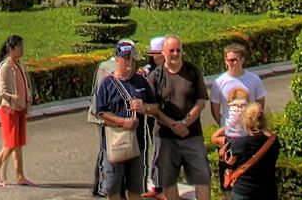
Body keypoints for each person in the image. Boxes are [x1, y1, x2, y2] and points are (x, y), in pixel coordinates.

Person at [146, 33, 212, 200]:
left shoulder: (192, 71)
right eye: (171, 50)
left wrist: (185, 123)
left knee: (202, 177)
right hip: (165, 136)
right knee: (168, 180)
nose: (175, 54)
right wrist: (172, 124)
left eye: (178, 50)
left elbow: (201, 101)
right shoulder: (155, 76)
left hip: (192, 134)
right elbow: (153, 108)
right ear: (163, 52)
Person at [91, 41, 150, 199]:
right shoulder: (107, 83)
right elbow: (100, 112)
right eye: (125, 58)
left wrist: (144, 107)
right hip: (114, 144)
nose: (128, 61)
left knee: (135, 189)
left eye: (131, 58)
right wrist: (123, 122)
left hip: (137, 144)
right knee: (113, 190)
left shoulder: (141, 81)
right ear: (117, 60)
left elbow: (155, 106)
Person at [209, 41, 265, 160]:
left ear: (242, 60)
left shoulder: (254, 79)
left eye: (234, 60)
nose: (231, 63)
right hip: (229, 136)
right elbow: (214, 111)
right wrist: (225, 125)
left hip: (249, 135)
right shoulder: (219, 82)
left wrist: (254, 126)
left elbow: (260, 105)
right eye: (229, 60)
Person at [218, 99, 282, 200]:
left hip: (244, 191)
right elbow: (270, 135)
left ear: (246, 122)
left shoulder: (239, 144)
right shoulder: (273, 142)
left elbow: (229, 161)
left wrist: (232, 124)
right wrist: (263, 127)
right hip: (268, 191)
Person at [0, 33, 31, 188]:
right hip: (9, 110)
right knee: (11, 143)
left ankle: (20, 176)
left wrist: (27, 99)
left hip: (19, 108)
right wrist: (11, 97)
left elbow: (24, 83)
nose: (22, 49)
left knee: (18, 143)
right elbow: (2, 91)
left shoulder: (18, 63)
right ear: (11, 49)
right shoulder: (6, 67)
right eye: (19, 47)